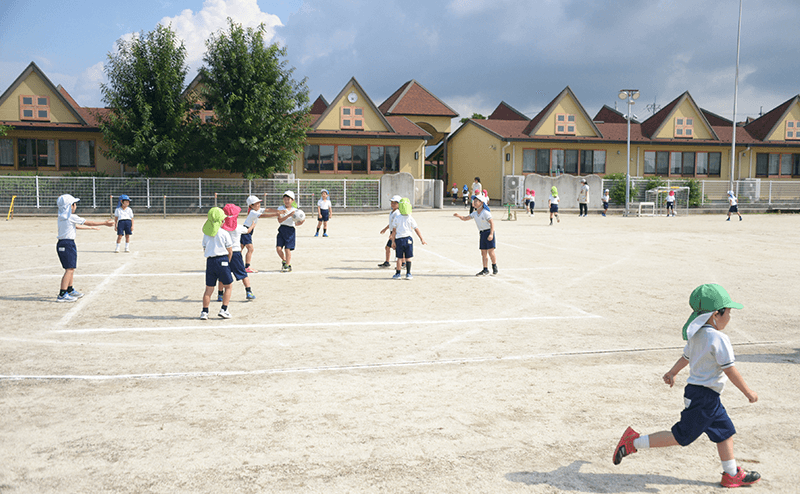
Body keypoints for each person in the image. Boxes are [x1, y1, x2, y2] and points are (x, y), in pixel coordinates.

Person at [612, 283, 760, 488]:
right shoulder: (719, 338)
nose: (730, 317)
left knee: (724, 432)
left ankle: (731, 474)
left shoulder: (697, 334)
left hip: (702, 395)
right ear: (716, 314)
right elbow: (729, 369)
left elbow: (685, 357)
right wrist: (748, 392)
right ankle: (633, 442)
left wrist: (673, 372)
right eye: (729, 312)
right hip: (704, 398)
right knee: (681, 436)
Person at [55, 194, 114, 302]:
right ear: (70, 206)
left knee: (71, 268)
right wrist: (104, 223)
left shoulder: (62, 216)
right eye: (74, 204)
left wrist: (90, 228)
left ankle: (70, 289)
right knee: (69, 269)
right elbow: (88, 221)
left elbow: (76, 226)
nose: (75, 206)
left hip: (65, 243)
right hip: (67, 244)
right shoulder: (70, 216)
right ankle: (62, 294)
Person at [216, 203, 256, 302]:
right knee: (242, 273)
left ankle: (220, 294)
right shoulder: (238, 227)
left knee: (222, 274)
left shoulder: (221, 228)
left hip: (223, 254)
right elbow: (247, 231)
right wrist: (253, 224)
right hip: (236, 253)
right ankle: (248, 291)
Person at [201, 207, 234, 320]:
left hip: (210, 261)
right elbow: (230, 250)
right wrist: (228, 262)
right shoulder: (224, 233)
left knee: (209, 289)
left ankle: (204, 312)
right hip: (223, 260)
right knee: (228, 286)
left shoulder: (206, 234)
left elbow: (204, 249)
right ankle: (224, 309)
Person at [454, 194, 497, 276]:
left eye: (476, 201)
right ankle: (485, 269)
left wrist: (491, 234)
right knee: (483, 252)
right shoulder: (474, 213)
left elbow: (492, 223)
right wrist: (459, 216)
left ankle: (494, 267)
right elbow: (465, 218)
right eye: (474, 201)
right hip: (482, 233)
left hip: (488, 232)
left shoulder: (486, 213)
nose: (474, 202)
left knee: (491, 252)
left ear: (481, 203)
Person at [262, 190, 305, 272]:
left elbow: (296, 223)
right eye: (285, 199)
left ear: (293, 200)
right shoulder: (280, 209)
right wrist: (288, 215)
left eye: (288, 199)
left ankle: (288, 265)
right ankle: (285, 260)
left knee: (287, 249)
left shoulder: (296, 211)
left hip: (290, 230)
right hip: (282, 229)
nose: (286, 201)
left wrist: (301, 222)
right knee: (278, 248)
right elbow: (280, 220)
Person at [390, 198, 426, 280]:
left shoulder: (397, 218)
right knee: (408, 258)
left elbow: (394, 231)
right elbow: (416, 229)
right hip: (408, 239)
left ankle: (398, 274)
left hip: (399, 239)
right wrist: (421, 239)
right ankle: (408, 273)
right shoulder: (410, 218)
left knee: (399, 257)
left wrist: (393, 241)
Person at [241, 195, 265, 273]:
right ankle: (247, 267)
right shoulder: (253, 212)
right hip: (246, 231)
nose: (259, 204)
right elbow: (263, 215)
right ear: (251, 205)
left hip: (248, 230)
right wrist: (276, 214)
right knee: (250, 249)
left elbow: (266, 210)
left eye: (259, 203)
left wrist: (278, 211)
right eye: (256, 203)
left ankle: (231, 264)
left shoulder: (256, 210)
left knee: (238, 249)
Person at [378, 195, 402, 268]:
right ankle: (387, 262)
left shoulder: (397, 213)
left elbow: (397, 224)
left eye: (395, 203)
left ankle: (403, 263)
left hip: (396, 233)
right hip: (392, 232)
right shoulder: (392, 212)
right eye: (392, 202)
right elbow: (392, 223)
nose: (393, 204)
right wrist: (385, 229)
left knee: (397, 248)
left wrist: (393, 234)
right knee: (388, 247)